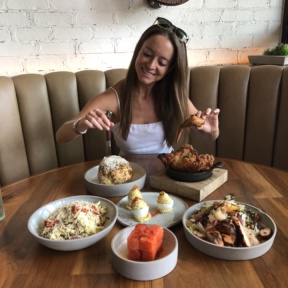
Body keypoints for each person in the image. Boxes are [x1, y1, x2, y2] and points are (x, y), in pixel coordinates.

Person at [56, 17, 220, 155]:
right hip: (128, 179)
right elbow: (61, 135)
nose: (150, 65)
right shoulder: (114, 97)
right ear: (138, 51)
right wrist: (82, 124)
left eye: (162, 63)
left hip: (167, 176)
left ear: (170, 69)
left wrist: (211, 130)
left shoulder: (175, 97)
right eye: (147, 54)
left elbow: (211, 135)